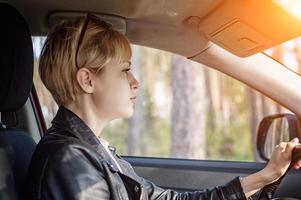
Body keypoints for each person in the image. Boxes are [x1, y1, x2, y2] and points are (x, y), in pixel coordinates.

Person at [24, 13, 301, 200]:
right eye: (125, 70)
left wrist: (266, 177)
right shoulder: (68, 160)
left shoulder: (95, 151)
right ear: (87, 80)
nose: (135, 83)